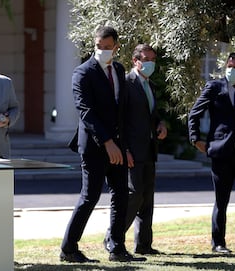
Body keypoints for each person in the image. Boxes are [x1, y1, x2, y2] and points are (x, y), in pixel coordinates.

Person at [61, 26, 139, 263]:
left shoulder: (119, 69)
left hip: (118, 145)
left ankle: (117, 249)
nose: (103, 51)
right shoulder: (83, 73)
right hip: (95, 147)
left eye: (108, 47)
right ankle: (69, 249)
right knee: (90, 196)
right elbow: (86, 112)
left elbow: (121, 112)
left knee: (121, 195)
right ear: (93, 45)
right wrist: (107, 142)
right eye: (99, 47)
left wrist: (123, 146)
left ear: (116, 47)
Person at [188, 52, 235, 253]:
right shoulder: (214, 88)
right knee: (221, 200)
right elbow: (195, 113)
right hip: (221, 152)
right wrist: (196, 139)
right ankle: (218, 243)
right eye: (229, 66)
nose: (231, 70)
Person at [105, 44, 167, 255]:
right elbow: (120, 120)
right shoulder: (126, 84)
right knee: (134, 194)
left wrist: (160, 124)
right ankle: (112, 238)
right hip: (132, 150)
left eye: (152, 59)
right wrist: (126, 150)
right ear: (135, 61)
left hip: (149, 148)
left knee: (147, 197)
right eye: (145, 59)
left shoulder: (150, 85)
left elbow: (152, 115)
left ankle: (143, 244)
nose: (150, 63)